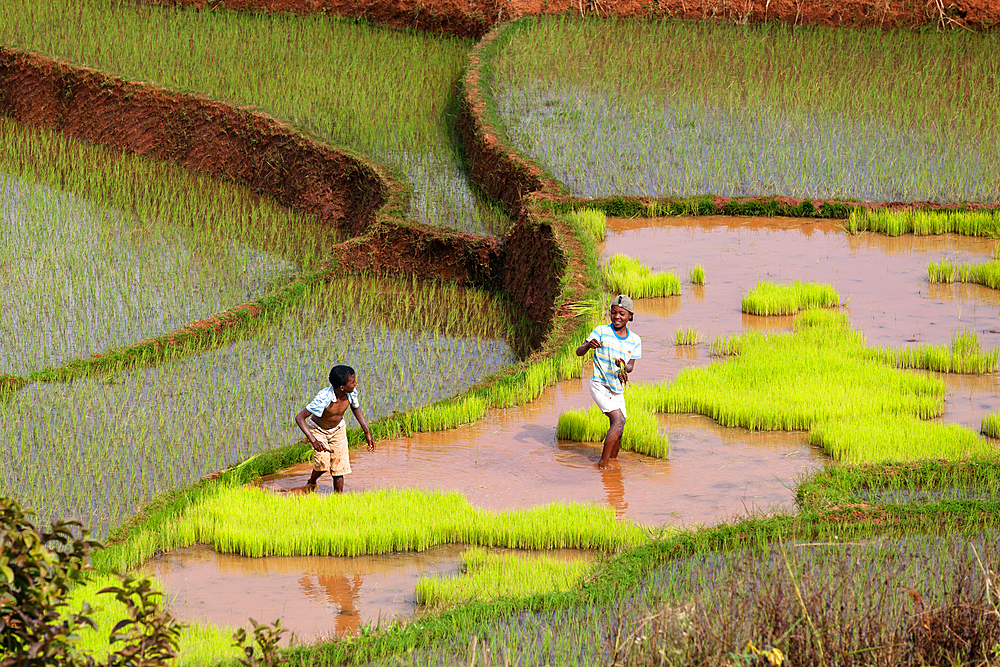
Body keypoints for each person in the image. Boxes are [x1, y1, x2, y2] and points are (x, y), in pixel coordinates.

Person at [576, 294, 641, 469]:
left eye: (622, 314)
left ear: (630, 316)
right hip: (600, 384)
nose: (617, 317)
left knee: (621, 425)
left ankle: (613, 461)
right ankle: (603, 465)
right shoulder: (601, 331)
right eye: (614, 313)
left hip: (617, 388)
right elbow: (579, 351)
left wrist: (623, 367)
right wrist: (589, 345)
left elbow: (631, 367)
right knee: (618, 420)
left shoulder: (635, 340)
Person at [294, 364, 375, 492]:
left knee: (339, 468)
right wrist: (313, 440)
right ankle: (312, 482)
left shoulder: (351, 393)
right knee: (322, 464)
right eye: (353, 382)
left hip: (338, 430)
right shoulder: (324, 397)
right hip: (318, 430)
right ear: (342, 387)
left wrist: (367, 432)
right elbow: (299, 418)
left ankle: (338, 500)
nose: (356, 383)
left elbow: (356, 408)